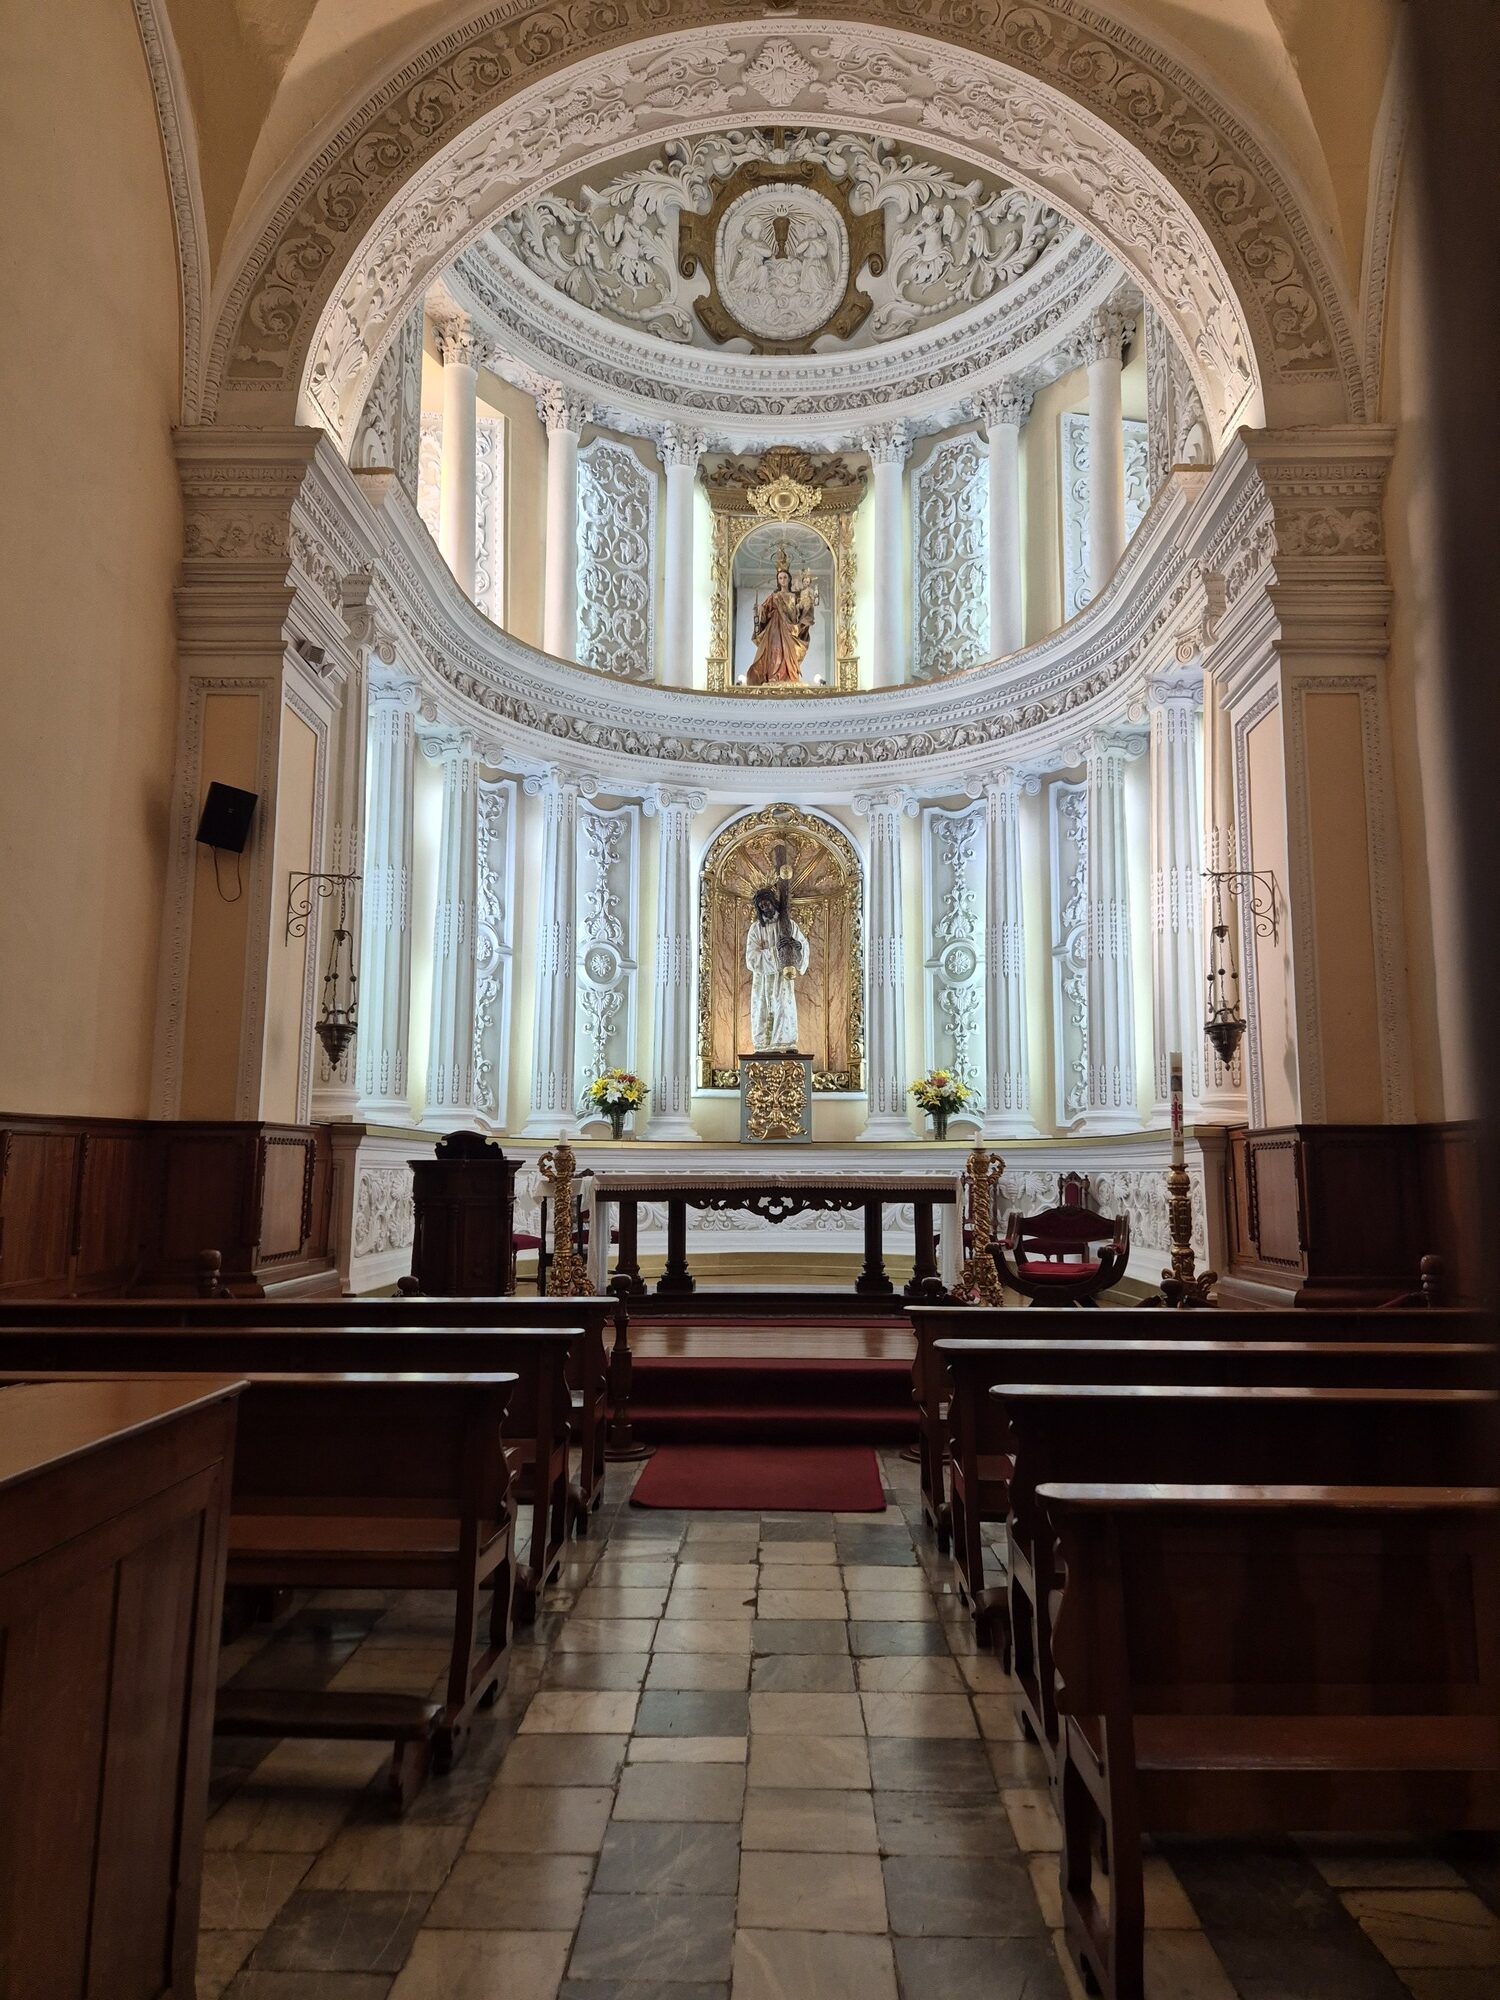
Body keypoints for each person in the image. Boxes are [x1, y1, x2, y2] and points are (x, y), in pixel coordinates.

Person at [746, 885, 809, 1050]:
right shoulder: (756, 929)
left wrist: (796, 946)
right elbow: (751, 959)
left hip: (783, 978)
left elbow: (803, 945)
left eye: (767, 903)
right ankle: (764, 1046)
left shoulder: (789, 925)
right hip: (763, 980)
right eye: (761, 906)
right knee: (763, 1009)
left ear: (774, 902)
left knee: (783, 1006)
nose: (765, 908)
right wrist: (777, 952)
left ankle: (785, 1042)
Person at [746, 551, 813, 685]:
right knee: (775, 652)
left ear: (789, 579)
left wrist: (807, 607)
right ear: (778, 580)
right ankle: (774, 677)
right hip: (775, 630)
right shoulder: (774, 597)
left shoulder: (795, 596)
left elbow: (802, 611)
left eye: (785, 577)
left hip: (790, 631)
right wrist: (759, 611)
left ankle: (789, 676)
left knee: (789, 654)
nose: (782, 580)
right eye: (780, 578)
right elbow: (764, 613)